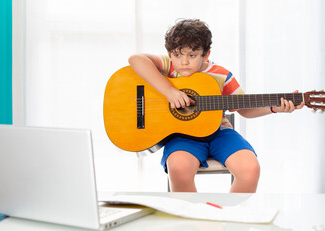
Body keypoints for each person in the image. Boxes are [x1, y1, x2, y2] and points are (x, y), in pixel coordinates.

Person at [128, 19, 304, 193]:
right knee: (179, 169)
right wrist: (169, 91)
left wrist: (274, 107)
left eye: (192, 55)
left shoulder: (221, 75)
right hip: (182, 136)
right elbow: (136, 59)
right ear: (170, 53)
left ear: (206, 55)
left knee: (250, 170)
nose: (184, 62)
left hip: (220, 133)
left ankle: (226, 216)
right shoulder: (169, 66)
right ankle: (192, 217)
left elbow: (244, 109)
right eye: (177, 54)